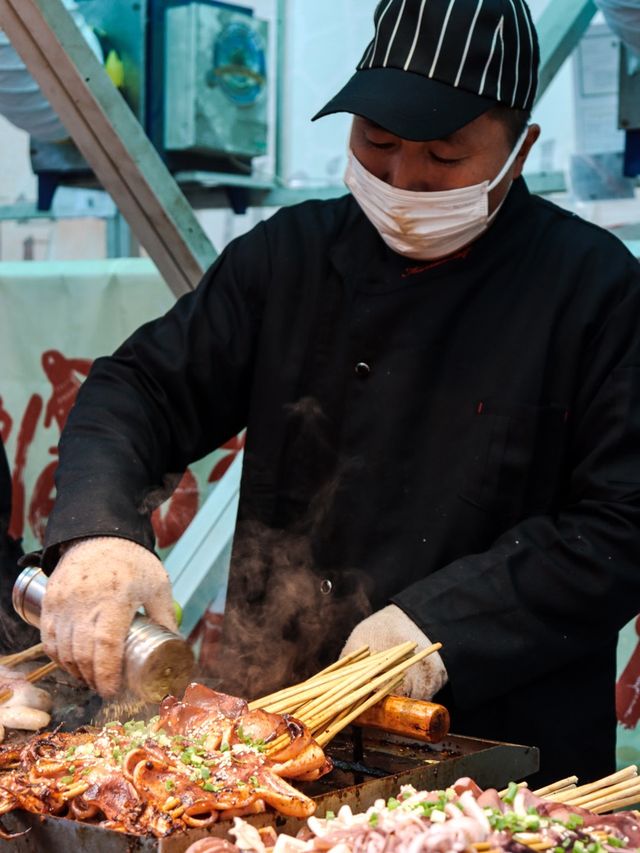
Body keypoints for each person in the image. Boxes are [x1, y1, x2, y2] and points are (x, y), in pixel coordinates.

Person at [36, 0, 640, 786]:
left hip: (502, 761)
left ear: (518, 150)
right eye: (377, 142)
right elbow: (139, 387)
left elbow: (620, 526)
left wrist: (435, 629)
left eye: (444, 157)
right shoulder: (290, 258)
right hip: (270, 742)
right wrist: (102, 534)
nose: (401, 178)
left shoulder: (596, 292)